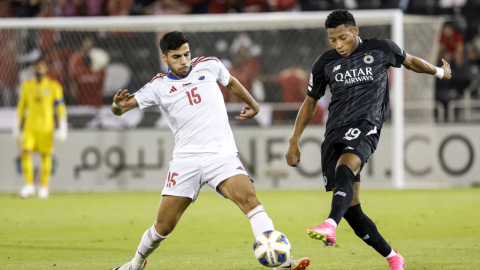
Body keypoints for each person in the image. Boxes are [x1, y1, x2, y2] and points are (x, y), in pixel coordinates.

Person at [111, 31, 310, 270]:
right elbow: (122, 109)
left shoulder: (209, 65)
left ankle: (281, 262)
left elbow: (232, 83)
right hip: (186, 160)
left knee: (250, 200)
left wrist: (254, 104)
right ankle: (136, 264)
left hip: (221, 154)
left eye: (186, 54)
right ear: (164, 58)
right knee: (163, 227)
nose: (184, 61)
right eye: (176, 57)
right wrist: (116, 106)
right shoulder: (158, 86)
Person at [285, 9, 451, 270]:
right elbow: (309, 103)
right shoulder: (324, 63)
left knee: (345, 167)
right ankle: (393, 257)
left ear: (355, 31)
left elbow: (411, 61)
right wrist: (294, 139)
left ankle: (329, 223)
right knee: (352, 211)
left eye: (342, 37)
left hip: (366, 124)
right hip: (334, 132)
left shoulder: (381, 49)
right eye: (333, 40)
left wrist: (439, 73)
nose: (338, 44)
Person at [14, 57, 68, 199]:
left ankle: (44, 187)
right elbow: (21, 107)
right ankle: (29, 186)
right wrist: (17, 127)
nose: (39, 69)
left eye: (41, 66)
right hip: (30, 128)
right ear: (33, 68)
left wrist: (62, 127)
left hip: (46, 127)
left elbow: (60, 107)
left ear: (46, 69)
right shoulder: (26, 85)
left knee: (45, 156)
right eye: (37, 66)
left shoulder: (53, 86)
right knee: (25, 153)